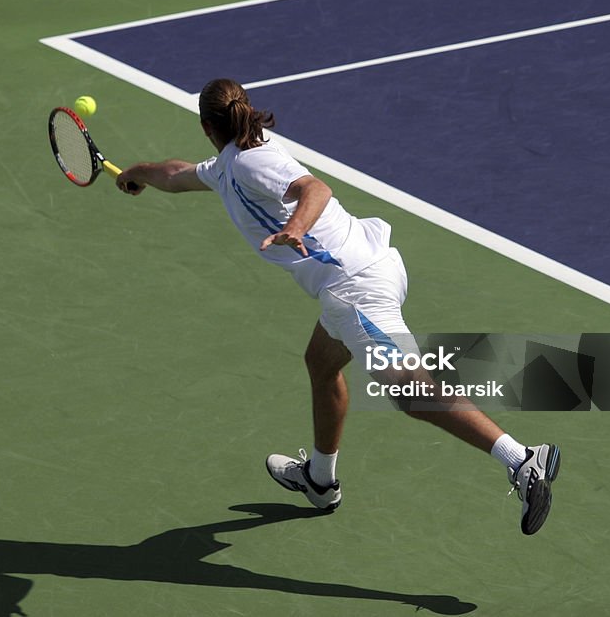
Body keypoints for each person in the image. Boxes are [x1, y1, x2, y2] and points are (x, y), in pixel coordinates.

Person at [116, 78, 560, 535]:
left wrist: (295, 227)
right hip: (354, 279)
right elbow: (176, 173)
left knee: (409, 389)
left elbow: (315, 190)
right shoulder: (230, 163)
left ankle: (523, 461)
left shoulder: (254, 161)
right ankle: (320, 480)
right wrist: (136, 173)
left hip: (357, 287)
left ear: (207, 126)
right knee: (322, 363)